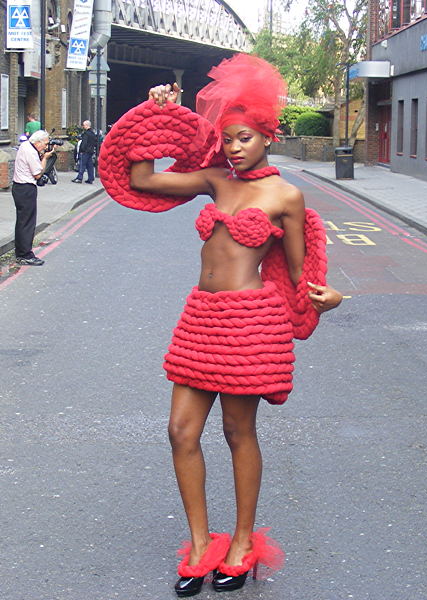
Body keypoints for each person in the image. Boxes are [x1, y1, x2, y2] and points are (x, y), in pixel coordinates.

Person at [125, 55, 343, 596]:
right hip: (201, 317)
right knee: (181, 431)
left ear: (267, 136)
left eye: (244, 137)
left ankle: (242, 543)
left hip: (251, 323)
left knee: (236, 431)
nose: (234, 147)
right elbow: (142, 177)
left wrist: (330, 296)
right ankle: (201, 545)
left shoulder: (285, 197)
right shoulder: (215, 179)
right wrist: (153, 116)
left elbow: (298, 272)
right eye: (228, 138)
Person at [12, 130, 55, 266]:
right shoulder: (31, 152)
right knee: (27, 223)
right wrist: (45, 158)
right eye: (45, 144)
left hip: (19, 188)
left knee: (22, 222)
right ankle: (25, 255)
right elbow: (37, 174)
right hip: (26, 189)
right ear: (38, 142)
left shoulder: (25, 146)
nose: (45, 146)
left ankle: (21, 253)